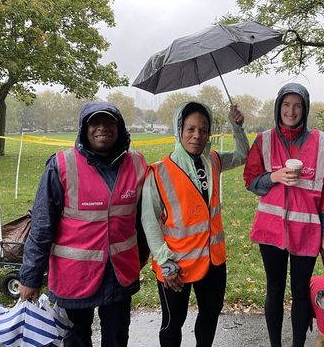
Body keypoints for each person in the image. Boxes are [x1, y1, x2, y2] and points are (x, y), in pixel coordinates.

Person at [18, 101, 149, 347]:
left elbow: (145, 219)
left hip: (119, 275)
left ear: (119, 127)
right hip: (74, 278)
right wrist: (30, 277)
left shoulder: (138, 164)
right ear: (84, 128)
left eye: (109, 122)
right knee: (76, 340)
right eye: (95, 122)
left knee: (118, 338)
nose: (102, 128)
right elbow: (42, 226)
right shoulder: (61, 165)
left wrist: (141, 258)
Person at [141, 101, 249, 347]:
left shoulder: (213, 160)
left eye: (203, 129)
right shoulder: (158, 172)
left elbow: (243, 155)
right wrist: (165, 262)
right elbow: (150, 222)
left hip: (213, 261)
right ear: (179, 130)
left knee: (209, 317)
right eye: (190, 129)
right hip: (176, 266)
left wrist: (238, 127)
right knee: (172, 324)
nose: (197, 135)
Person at [243, 83, 324, 347]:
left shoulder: (320, 143)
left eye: (297, 105)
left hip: (306, 231)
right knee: (274, 290)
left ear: (305, 109)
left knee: (299, 293)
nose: (291, 111)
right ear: (278, 107)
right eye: (286, 105)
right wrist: (273, 177)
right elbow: (250, 181)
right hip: (271, 230)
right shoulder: (264, 140)